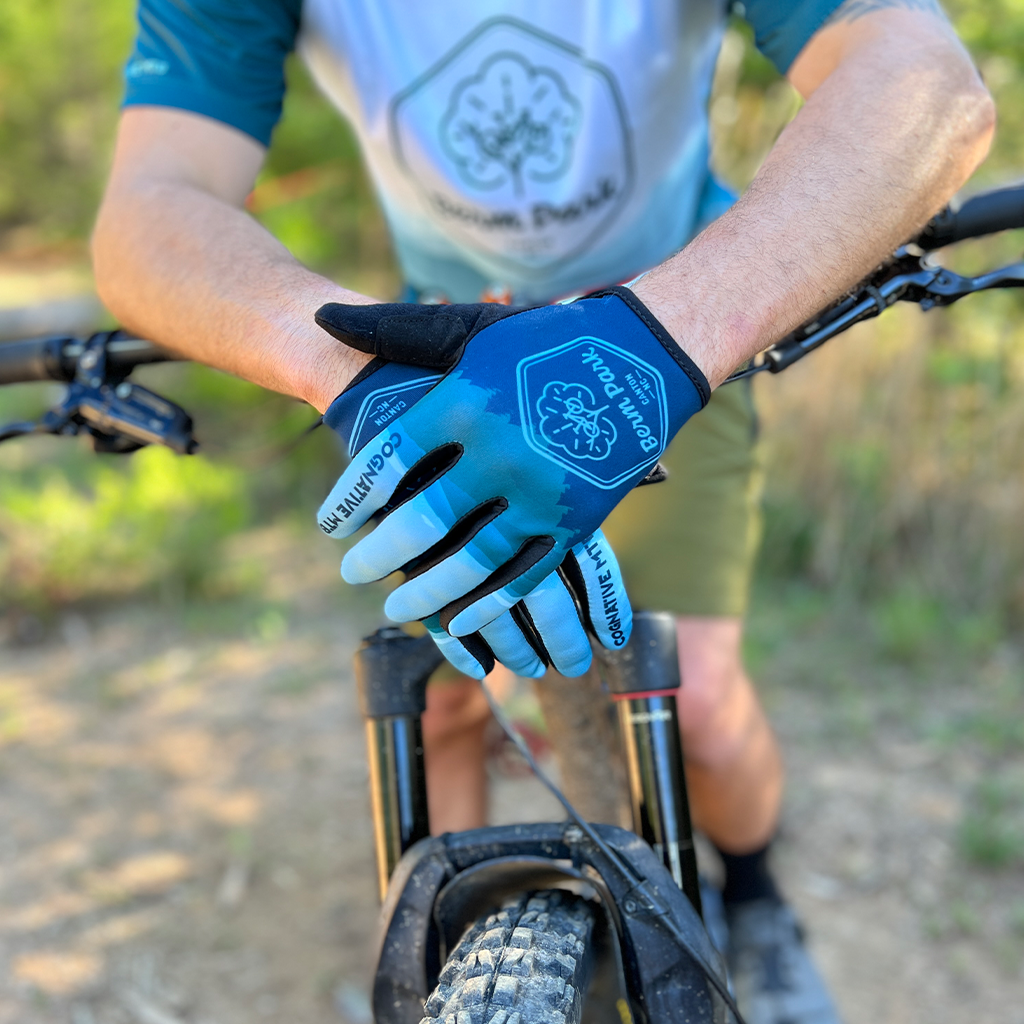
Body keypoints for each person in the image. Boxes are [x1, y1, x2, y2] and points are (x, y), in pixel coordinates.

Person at [91, 2, 993, 1021]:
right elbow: (150, 205)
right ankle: (439, 967)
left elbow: (923, 85)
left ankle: (757, 899)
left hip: (681, 319)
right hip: (443, 365)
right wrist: (338, 362)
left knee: (695, 701)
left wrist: (647, 347)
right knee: (441, 703)